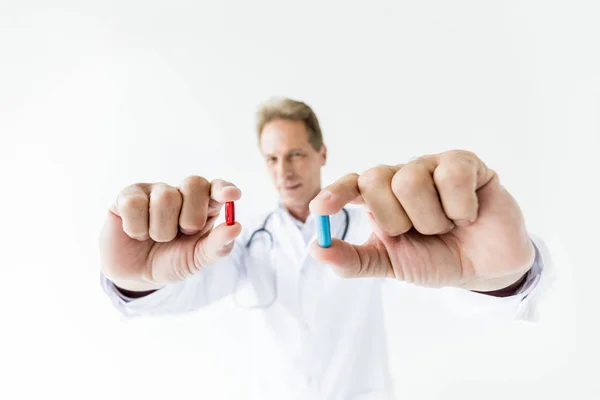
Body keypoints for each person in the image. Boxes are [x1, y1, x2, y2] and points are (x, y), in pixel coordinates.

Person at [99, 97, 552, 400]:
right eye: (272, 158)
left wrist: (502, 279)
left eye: (296, 154)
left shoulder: (378, 228)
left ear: (322, 155)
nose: (284, 170)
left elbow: (450, 294)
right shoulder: (243, 241)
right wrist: (136, 283)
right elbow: (185, 290)